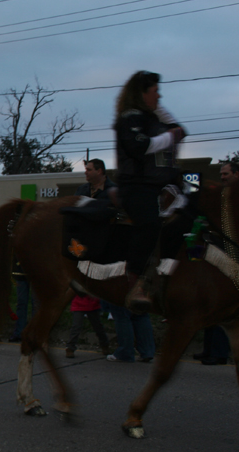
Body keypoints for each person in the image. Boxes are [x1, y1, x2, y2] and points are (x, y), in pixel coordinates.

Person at [114, 71, 187, 311]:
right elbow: (139, 146)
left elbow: (179, 129)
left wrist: (167, 121)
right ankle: (136, 280)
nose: (160, 95)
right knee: (149, 223)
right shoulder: (130, 118)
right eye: (155, 91)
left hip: (161, 184)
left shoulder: (151, 116)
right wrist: (169, 136)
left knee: (192, 213)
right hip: (136, 186)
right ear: (141, 93)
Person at [65, 158, 116, 357]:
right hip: (82, 246)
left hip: (105, 247)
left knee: (95, 313)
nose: (85, 172)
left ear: (100, 171)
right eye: (85, 169)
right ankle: (72, 345)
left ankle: (108, 318)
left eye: (89, 169)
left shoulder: (112, 191)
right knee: (80, 306)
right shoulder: (81, 190)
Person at [193, 162, 239, 365]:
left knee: (220, 304)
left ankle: (220, 353)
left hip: (233, 255)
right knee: (210, 303)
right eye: (221, 174)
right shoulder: (224, 195)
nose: (222, 177)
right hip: (218, 251)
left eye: (226, 174)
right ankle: (209, 349)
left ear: (237, 174)